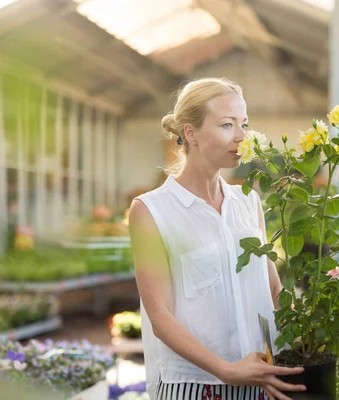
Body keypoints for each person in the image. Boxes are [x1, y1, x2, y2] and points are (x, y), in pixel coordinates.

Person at [128, 78, 306, 400]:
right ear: (190, 132)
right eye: (227, 125)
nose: (241, 136)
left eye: (244, 124)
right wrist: (226, 369)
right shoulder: (151, 211)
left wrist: (311, 337)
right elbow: (160, 315)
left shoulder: (248, 202)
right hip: (193, 385)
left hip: (261, 377)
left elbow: (273, 288)